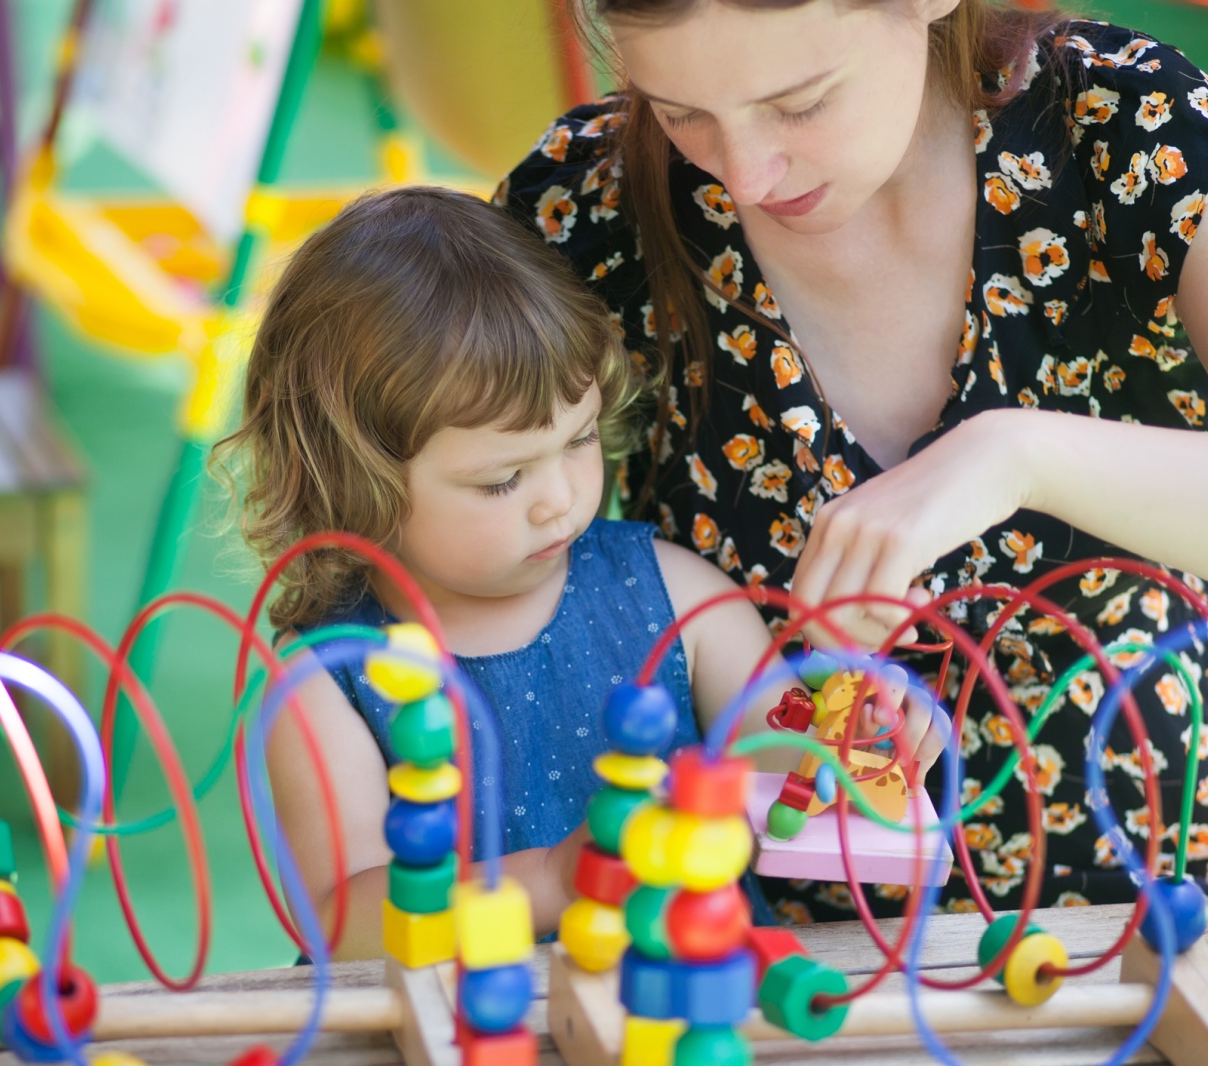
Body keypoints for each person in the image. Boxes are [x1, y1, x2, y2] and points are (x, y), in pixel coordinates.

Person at [497, 0, 1208, 952]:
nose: (744, 174)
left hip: (1198, 881)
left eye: (801, 103)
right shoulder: (588, 210)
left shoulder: (1122, 131)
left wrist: (1021, 455)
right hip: (781, 941)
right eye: (680, 111)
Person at [216, 187, 923, 958]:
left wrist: (849, 740)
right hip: (453, 1015)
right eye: (502, 480)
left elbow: (779, 765)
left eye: (580, 439)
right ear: (355, 483)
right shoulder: (329, 680)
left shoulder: (677, 597)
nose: (560, 500)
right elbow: (342, 920)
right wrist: (555, 878)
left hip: (688, 997)